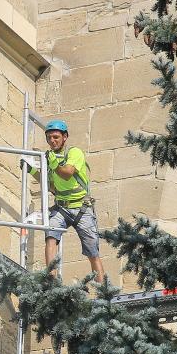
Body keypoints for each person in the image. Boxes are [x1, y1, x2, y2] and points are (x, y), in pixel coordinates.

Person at [22, 120, 105, 283]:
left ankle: (104, 291)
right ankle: (51, 280)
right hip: (62, 207)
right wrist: (31, 170)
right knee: (50, 237)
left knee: (92, 252)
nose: (52, 141)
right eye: (49, 138)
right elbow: (50, 186)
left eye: (55, 137)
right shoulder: (50, 157)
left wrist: (54, 162)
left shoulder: (74, 153)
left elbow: (67, 173)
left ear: (64, 137)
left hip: (82, 208)